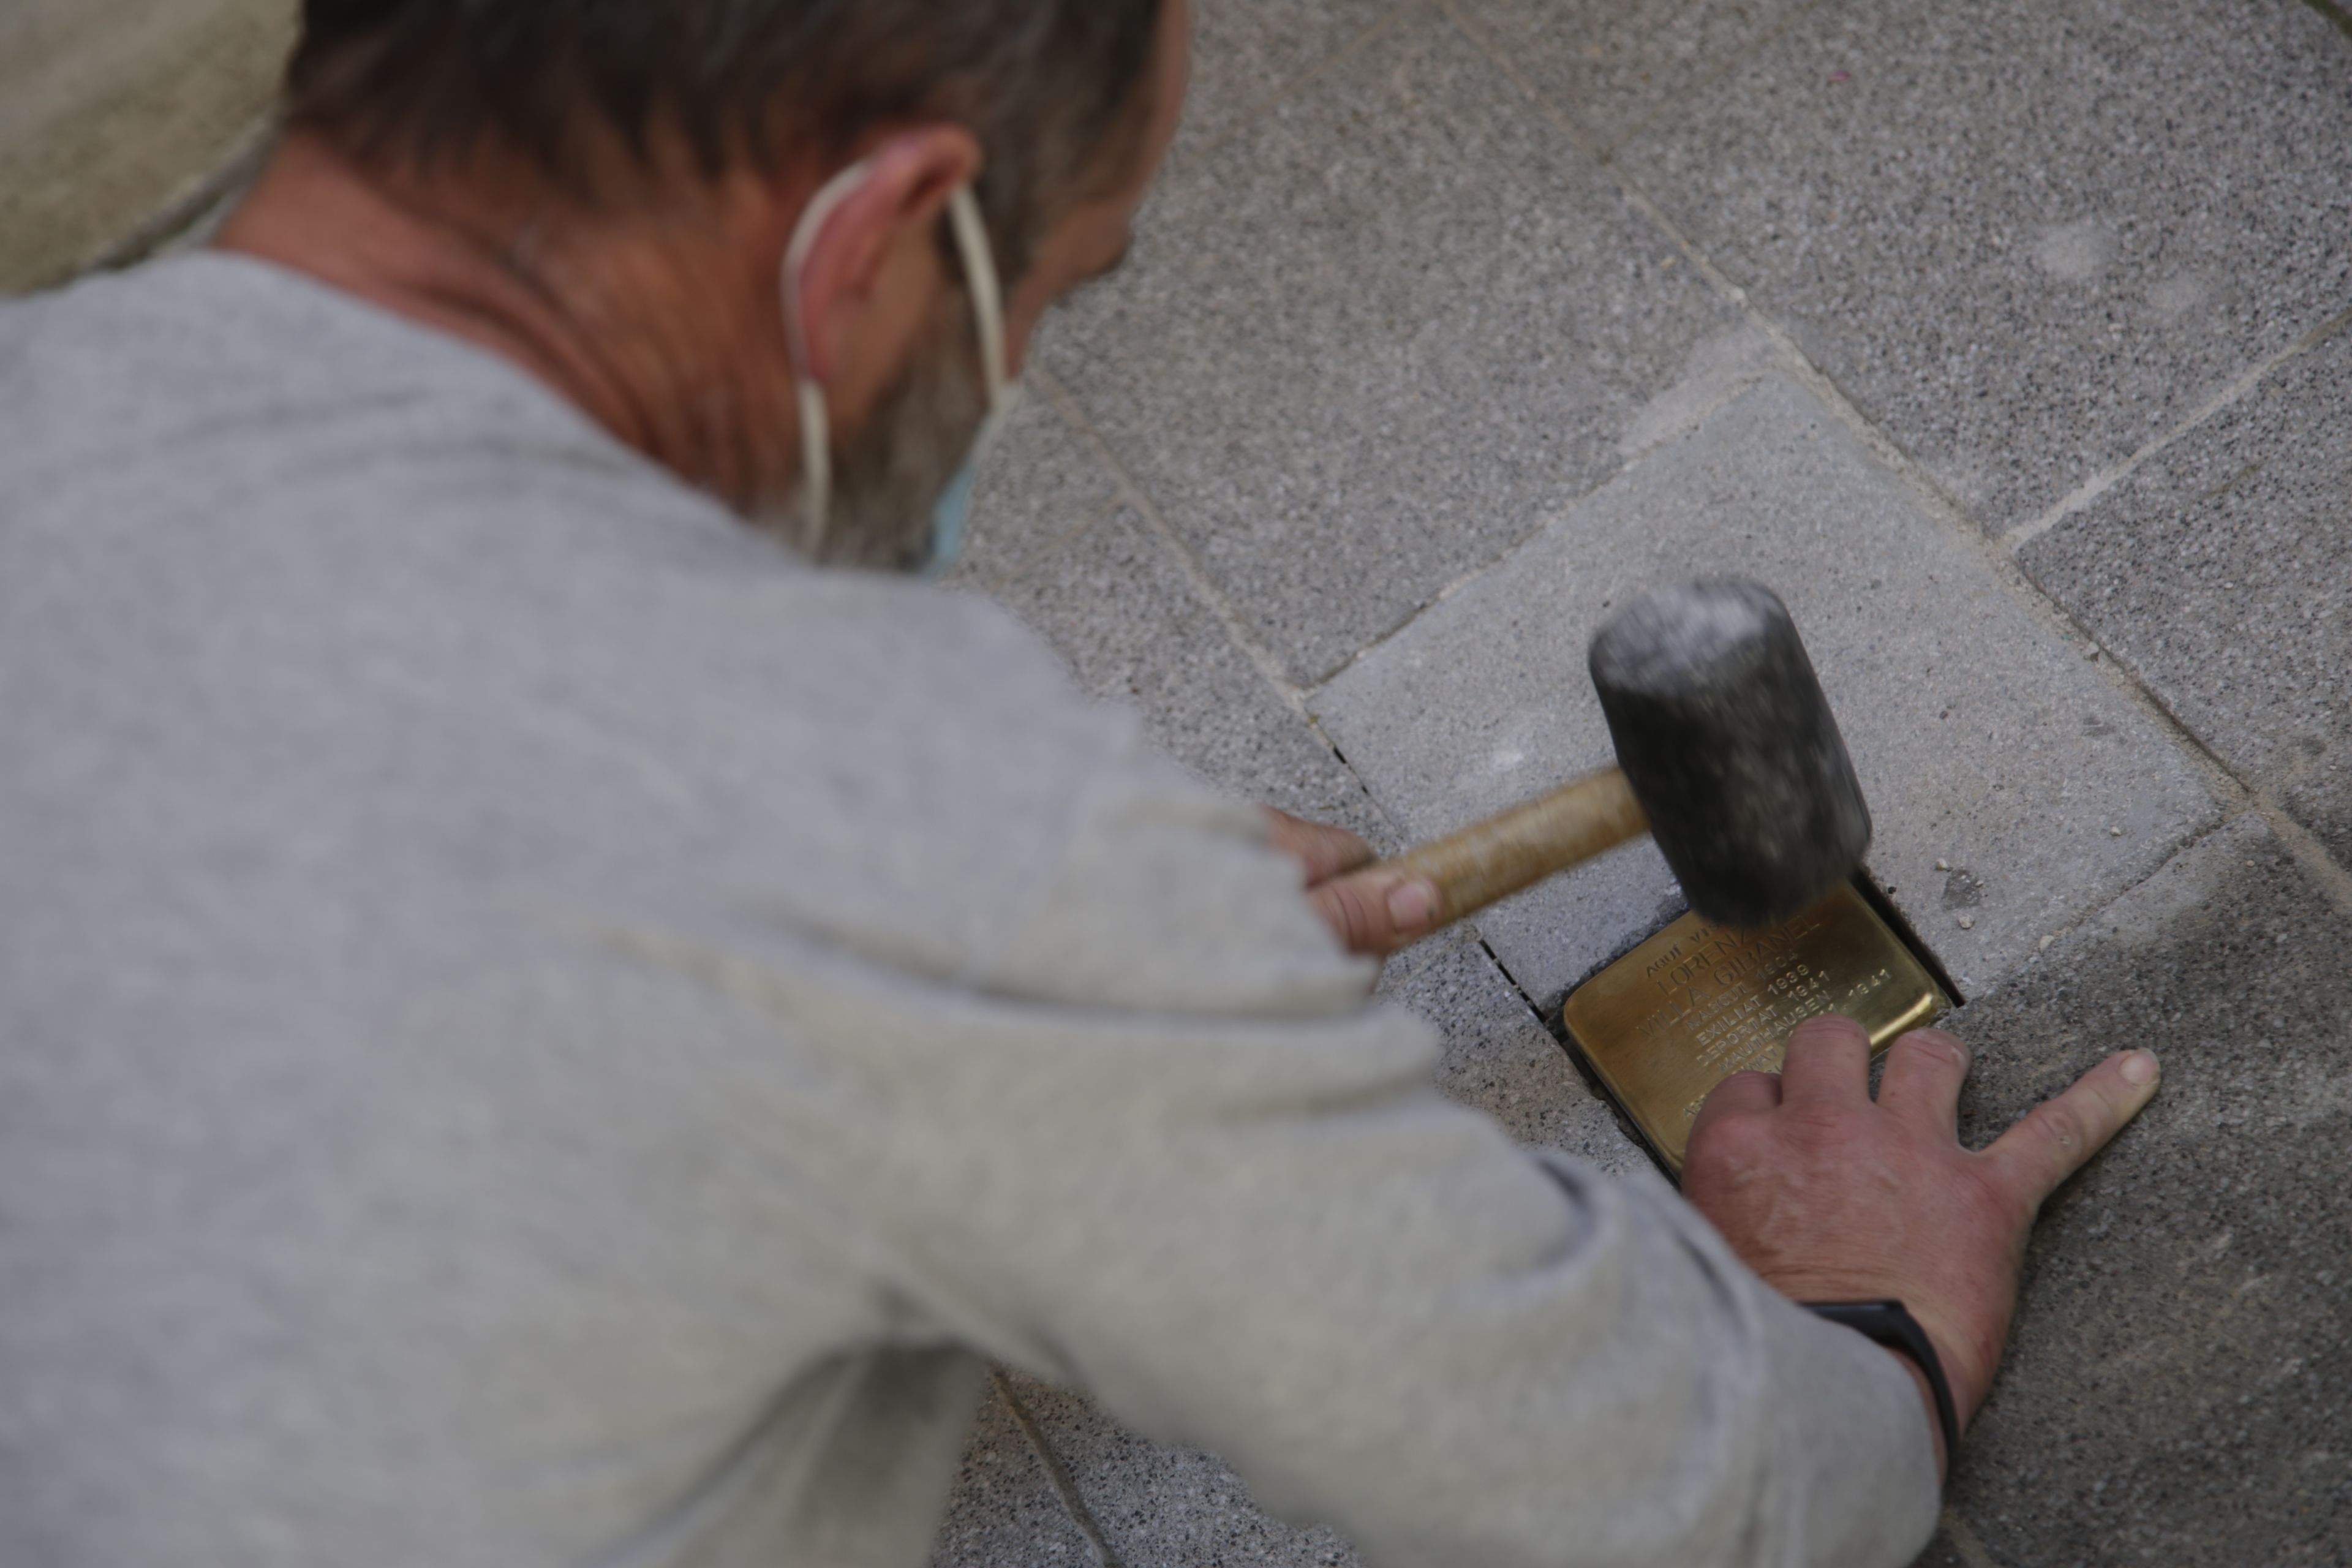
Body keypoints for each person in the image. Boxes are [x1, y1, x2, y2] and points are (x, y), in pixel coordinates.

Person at [0, 3, 2161, 1564]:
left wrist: (1056, 1021)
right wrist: (1859, 1328)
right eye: (1055, 286)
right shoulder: (928, 840)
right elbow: (1688, 1507)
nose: (1022, 366)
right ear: (881, 241)